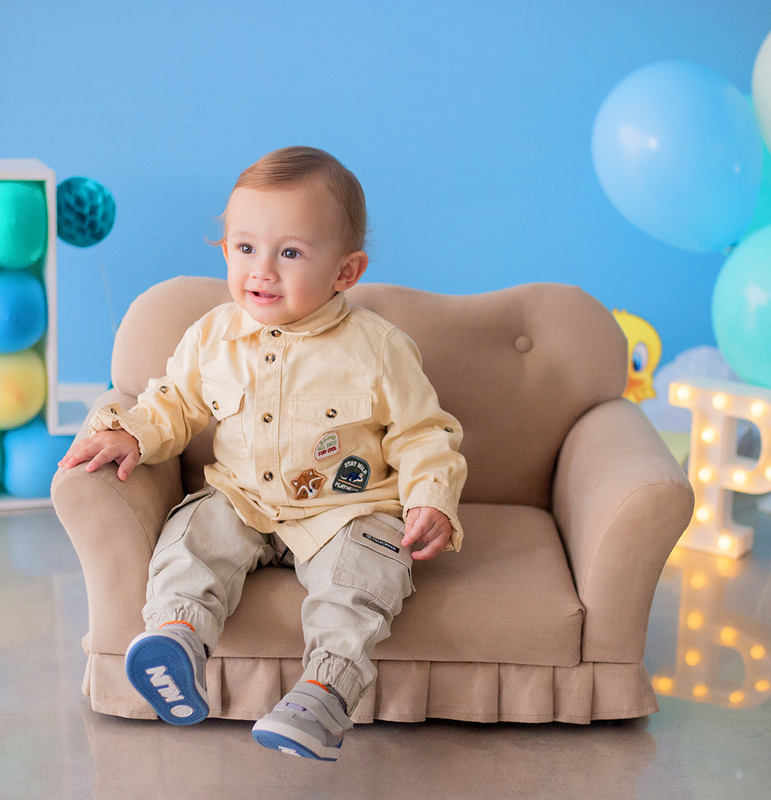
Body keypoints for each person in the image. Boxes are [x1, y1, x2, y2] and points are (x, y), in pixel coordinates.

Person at [58, 146, 466, 761]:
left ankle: (323, 693)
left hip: (344, 513)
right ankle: (179, 639)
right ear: (226, 251)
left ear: (345, 271)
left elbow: (423, 433)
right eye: (245, 248)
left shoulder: (378, 349)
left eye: (291, 253)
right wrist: (134, 433)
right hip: (243, 500)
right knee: (192, 535)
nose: (263, 271)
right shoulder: (212, 337)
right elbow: (175, 405)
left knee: (363, 577)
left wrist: (429, 499)